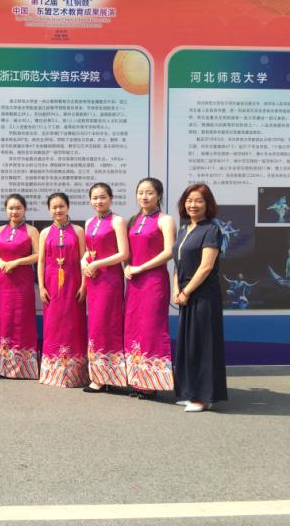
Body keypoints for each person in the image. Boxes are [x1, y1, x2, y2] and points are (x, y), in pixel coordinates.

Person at [173, 184, 227, 412]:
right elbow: (178, 265)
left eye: (198, 201)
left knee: (204, 345)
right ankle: (190, 392)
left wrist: (186, 291)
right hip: (185, 295)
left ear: (208, 205)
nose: (193, 205)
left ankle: (204, 398)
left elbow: (206, 267)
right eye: (189, 200)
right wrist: (176, 290)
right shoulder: (184, 229)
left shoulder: (211, 230)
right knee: (189, 345)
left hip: (204, 295)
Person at [123, 177, 176, 399]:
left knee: (151, 328)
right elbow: (126, 250)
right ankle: (137, 380)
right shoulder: (133, 220)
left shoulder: (165, 220)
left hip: (153, 281)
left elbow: (169, 251)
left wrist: (141, 267)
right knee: (134, 327)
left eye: (149, 192)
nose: (144, 197)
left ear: (159, 195)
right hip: (133, 282)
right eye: (140, 192)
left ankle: (152, 383)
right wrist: (127, 267)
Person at [81, 183, 129, 392]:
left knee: (107, 323)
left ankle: (108, 377)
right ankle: (99, 374)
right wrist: (83, 263)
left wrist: (96, 264)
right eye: (94, 197)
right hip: (93, 279)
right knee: (95, 325)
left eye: (102, 197)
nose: (98, 201)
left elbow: (123, 253)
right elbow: (88, 251)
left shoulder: (117, 221)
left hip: (110, 279)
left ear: (111, 198)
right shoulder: (89, 222)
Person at [38, 193, 88, 388]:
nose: (58, 210)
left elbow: (84, 259)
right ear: (49, 209)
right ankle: (53, 373)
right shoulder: (44, 233)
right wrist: (41, 287)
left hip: (73, 283)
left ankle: (76, 374)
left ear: (68, 207)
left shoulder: (78, 230)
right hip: (51, 284)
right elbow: (41, 261)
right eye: (54, 207)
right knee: (53, 325)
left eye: (61, 206)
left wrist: (84, 285)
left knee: (74, 324)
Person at [0, 194, 40, 379]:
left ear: (24, 209)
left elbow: (38, 255)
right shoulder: (0, 230)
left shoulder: (31, 231)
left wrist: (17, 262)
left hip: (22, 282)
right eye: (11, 208)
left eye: (18, 208)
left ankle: (23, 367)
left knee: (21, 319)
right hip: (3, 282)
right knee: (3, 319)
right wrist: (0, 261)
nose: (14, 211)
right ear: (6, 210)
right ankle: (2, 366)